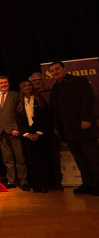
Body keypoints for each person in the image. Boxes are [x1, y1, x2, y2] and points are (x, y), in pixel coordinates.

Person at [49, 61, 99, 196]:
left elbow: (88, 100)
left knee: (92, 157)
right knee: (79, 157)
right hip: (67, 130)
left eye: (57, 69)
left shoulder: (79, 81)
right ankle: (88, 183)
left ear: (65, 69)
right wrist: (56, 126)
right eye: (52, 71)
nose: (55, 72)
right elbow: (55, 110)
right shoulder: (54, 88)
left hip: (83, 127)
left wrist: (86, 118)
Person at [0, 76, 30, 191]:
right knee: (8, 159)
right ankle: (11, 181)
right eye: (1, 83)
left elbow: (20, 113)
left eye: (6, 82)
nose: (4, 84)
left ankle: (23, 181)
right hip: (0, 133)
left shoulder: (15, 95)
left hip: (14, 132)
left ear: (9, 83)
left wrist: (18, 128)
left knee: (20, 158)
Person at [28, 72, 63, 190]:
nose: (37, 82)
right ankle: (43, 183)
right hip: (35, 133)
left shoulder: (50, 92)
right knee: (40, 159)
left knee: (54, 157)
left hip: (50, 130)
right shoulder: (28, 96)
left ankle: (57, 182)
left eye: (39, 80)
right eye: (34, 81)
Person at [15, 80, 50, 193]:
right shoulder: (19, 102)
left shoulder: (40, 99)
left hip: (39, 133)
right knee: (31, 160)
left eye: (29, 85)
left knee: (41, 159)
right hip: (27, 135)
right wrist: (26, 134)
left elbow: (45, 117)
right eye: (24, 86)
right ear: (21, 88)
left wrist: (38, 132)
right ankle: (35, 185)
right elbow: (18, 120)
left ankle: (44, 184)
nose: (27, 87)